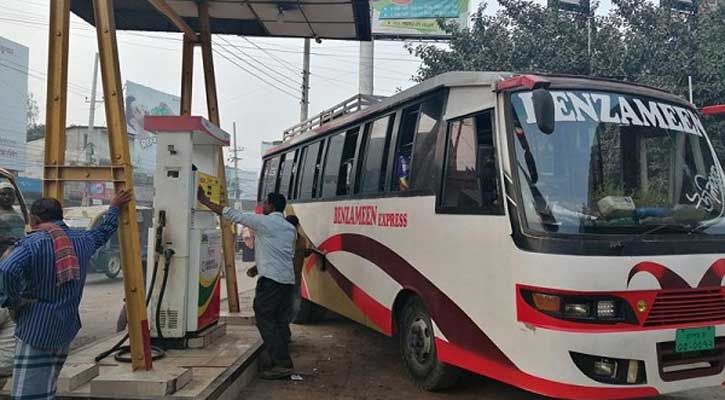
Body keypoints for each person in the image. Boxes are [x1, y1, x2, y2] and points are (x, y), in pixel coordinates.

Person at [0, 190, 132, 399]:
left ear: (34, 219)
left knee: (28, 391)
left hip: (36, 328)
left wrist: (13, 300)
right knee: (49, 382)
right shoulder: (82, 240)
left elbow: (7, 269)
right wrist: (114, 207)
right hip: (65, 328)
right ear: (60, 216)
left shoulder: (32, 243)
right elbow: (105, 230)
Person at [197, 189, 296, 380]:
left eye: (265, 203)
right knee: (279, 320)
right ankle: (278, 358)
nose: (263, 206)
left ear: (272, 206)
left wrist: (205, 201)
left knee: (264, 315)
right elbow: (280, 254)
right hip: (286, 281)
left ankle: (283, 363)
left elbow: (234, 214)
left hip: (271, 281)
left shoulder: (264, 222)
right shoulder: (289, 228)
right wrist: (257, 268)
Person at [0, 182, 25, 258]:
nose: (7, 197)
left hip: (21, 251)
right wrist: (7, 239)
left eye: (10, 194)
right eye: (3, 194)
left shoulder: (19, 211)